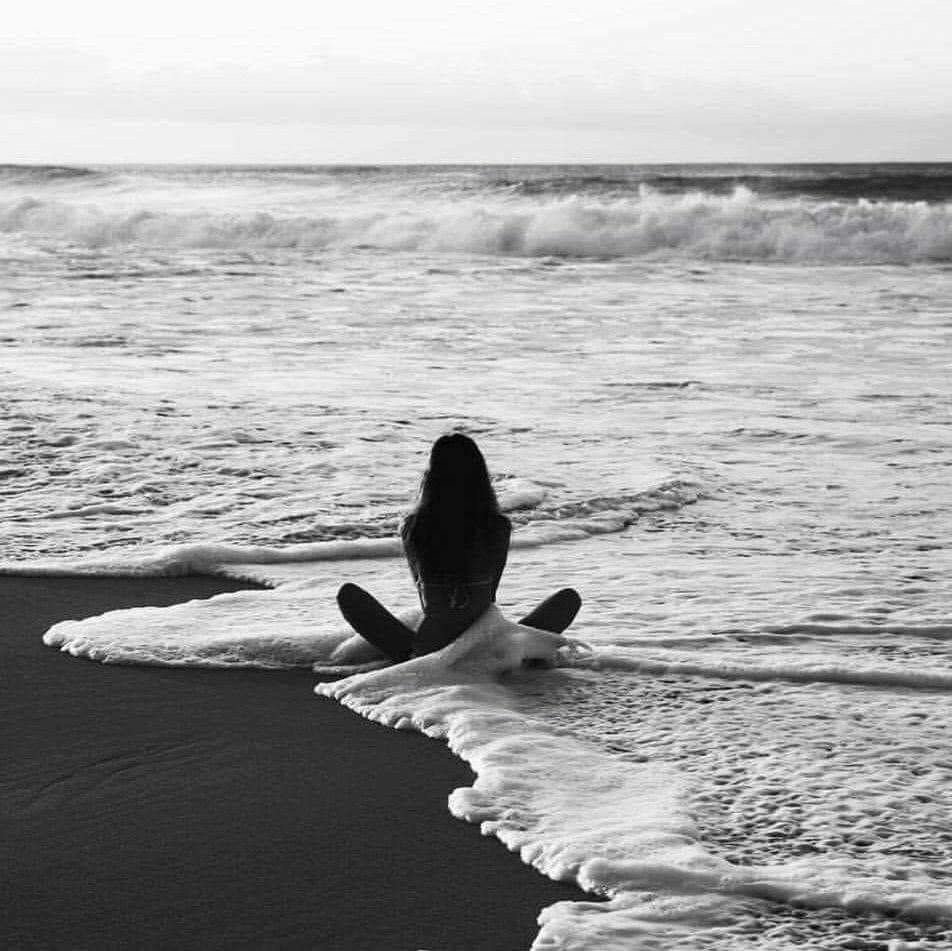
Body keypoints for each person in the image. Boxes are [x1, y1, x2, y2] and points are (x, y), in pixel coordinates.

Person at [337, 433, 581, 662]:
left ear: (432, 476)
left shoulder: (415, 527)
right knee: (568, 599)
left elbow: (424, 597)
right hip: (490, 646)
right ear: (480, 477)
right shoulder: (497, 526)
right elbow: (491, 595)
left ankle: (411, 657)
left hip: (428, 650)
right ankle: (518, 654)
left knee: (348, 595)